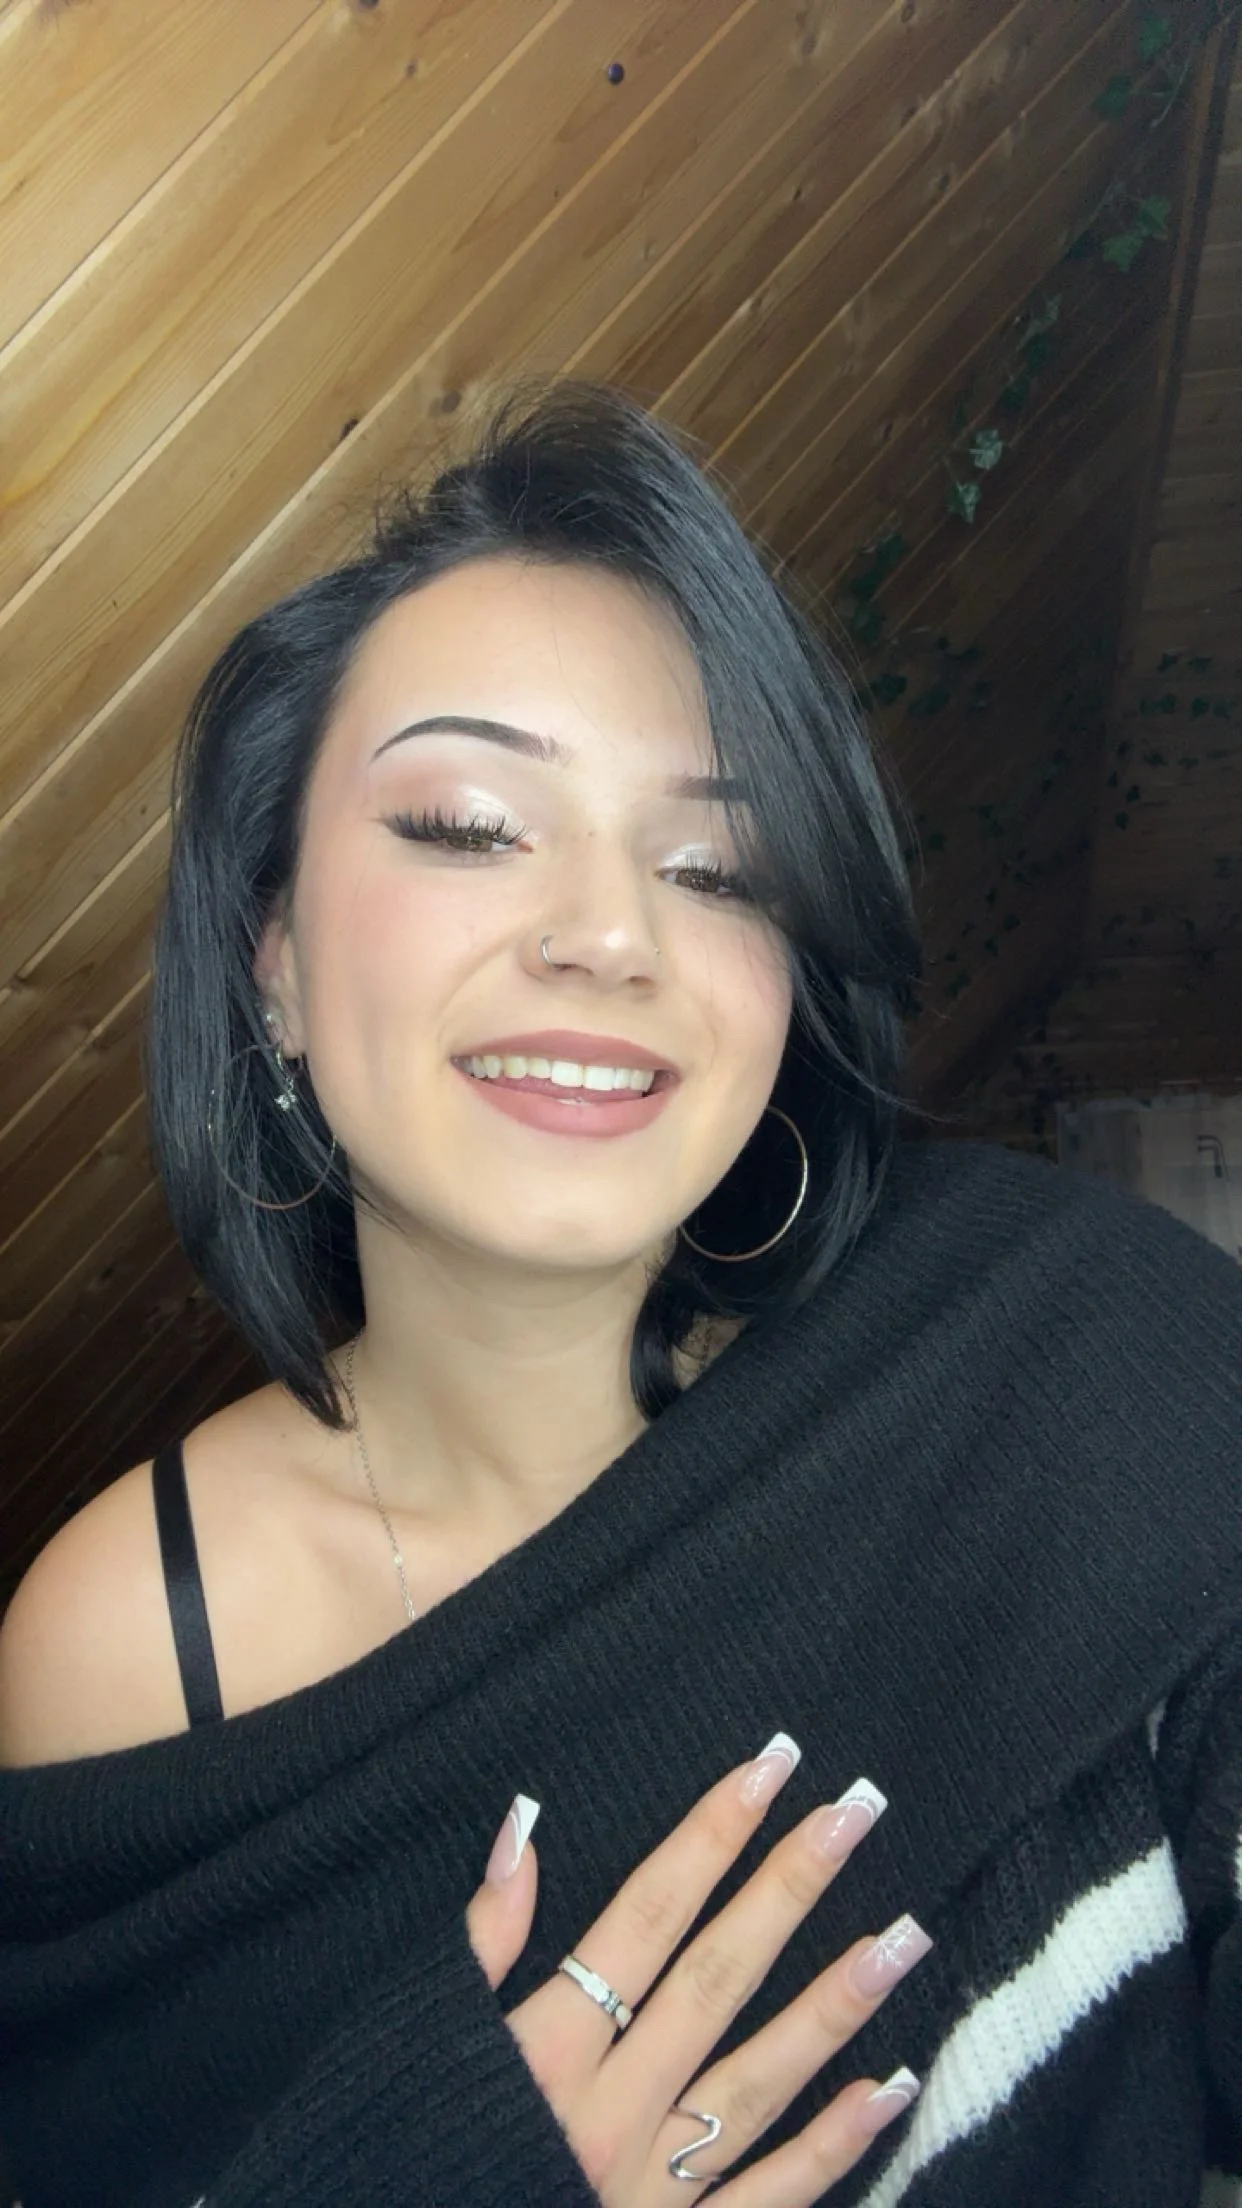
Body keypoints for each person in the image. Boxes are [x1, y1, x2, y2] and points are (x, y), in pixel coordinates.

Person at [0, 380, 1237, 2208]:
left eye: (713, 864)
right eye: (466, 825)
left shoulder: (1077, 1362)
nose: (607, 934)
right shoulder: (120, 1642)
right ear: (273, 963)